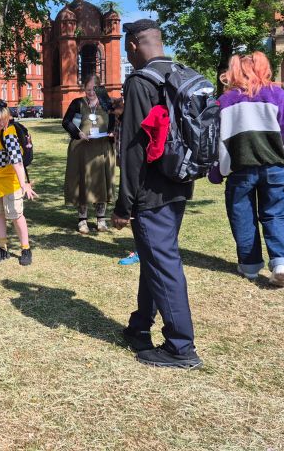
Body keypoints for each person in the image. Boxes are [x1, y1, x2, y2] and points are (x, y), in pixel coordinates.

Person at [112, 19, 202, 370]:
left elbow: (132, 151)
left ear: (132, 46)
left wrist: (124, 204)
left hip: (151, 191)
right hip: (180, 181)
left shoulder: (140, 82)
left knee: (164, 265)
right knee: (155, 257)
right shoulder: (180, 73)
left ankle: (181, 347)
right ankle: (139, 325)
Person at [208, 52, 284, 287]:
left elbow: (217, 140)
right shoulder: (276, 94)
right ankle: (280, 262)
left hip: (240, 169)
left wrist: (216, 171)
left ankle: (249, 266)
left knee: (242, 215)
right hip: (274, 166)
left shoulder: (226, 101)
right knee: (276, 213)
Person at [0, 99, 37, 266]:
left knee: (16, 215)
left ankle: (25, 248)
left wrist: (24, 184)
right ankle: (2, 248)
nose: (1, 123)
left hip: (10, 180)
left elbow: (17, 163)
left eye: (4, 119)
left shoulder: (9, 134)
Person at [61, 74, 116, 234]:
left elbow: (115, 122)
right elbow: (67, 122)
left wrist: (112, 132)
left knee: (102, 182)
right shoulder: (77, 103)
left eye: (94, 89)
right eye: (87, 89)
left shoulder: (107, 103)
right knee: (82, 182)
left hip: (102, 149)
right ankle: (82, 220)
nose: (90, 92)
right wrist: (78, 134)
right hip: (81, 150)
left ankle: (101, 219)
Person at [110, 96, 139, 267]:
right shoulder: (120, 120)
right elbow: (118, 141)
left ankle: (142, 251)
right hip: (126, 166)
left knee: (136, 208)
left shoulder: (132, 119)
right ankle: (141, 249)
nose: (114, 115)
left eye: (115, 111)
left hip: (134, 169)